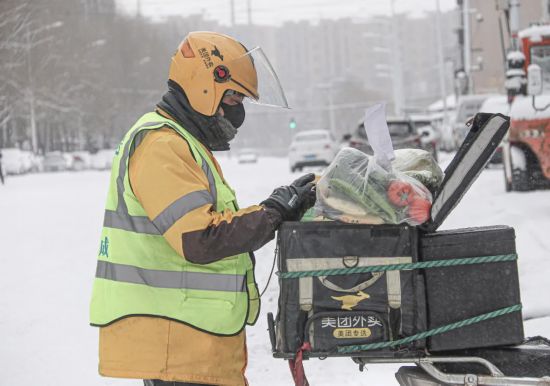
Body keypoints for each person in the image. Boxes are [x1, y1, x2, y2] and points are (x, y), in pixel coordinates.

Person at [89, 31, 316, 386]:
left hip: (189, 345)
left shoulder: (182, 144)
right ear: (204, 88)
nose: (237, 112)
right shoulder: (162, 145)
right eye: (234, 98)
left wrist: (278, 208)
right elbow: (200, 239)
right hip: (176, 347)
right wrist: (273, 211)